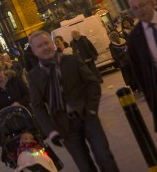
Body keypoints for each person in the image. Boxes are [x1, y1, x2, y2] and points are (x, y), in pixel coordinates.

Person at [27, 30, 119, 172]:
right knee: (85, 166)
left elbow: (92, 84)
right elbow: (38, 106)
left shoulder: (71, 61)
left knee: (104, 157)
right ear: (34, 51)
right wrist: (51, 131)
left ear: (52, 43)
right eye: (40, 46)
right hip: (65, 127)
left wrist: (91, 108)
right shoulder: (34, 76)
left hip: (87, 116)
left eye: (46, 43)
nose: (45, 47)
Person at [127, 0, 157, 132]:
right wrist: (152, 103)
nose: (140, 10)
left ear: (151, 3)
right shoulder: (134, 38)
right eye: (135, 8)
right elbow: (139, 73)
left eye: (142, 5)